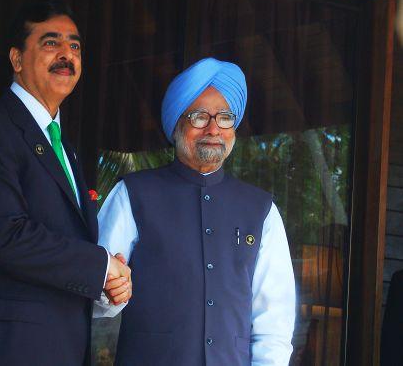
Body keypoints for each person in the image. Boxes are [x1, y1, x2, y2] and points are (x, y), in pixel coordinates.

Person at [0, 0, 131, 365]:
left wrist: (107, 285)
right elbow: (6, 235)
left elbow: (64, 248)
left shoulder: (64, 147)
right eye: (51, 43)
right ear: (17, 60)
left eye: (75, 46)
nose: (66, 53)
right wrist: (99, 267)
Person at [95, 57, 295, 365]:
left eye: (225, 117)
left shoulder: (261, 210)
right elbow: (95, 290)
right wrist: (110, 292)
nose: (213, 128)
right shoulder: (133, 194)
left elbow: (274, 323)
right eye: (199, 117)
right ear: (177, 125)